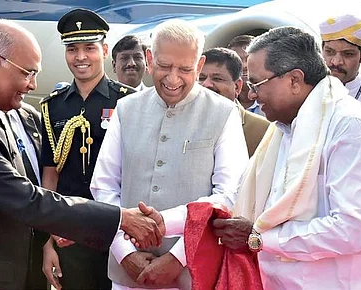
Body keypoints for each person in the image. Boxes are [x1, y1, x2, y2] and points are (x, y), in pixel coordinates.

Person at [0, 19, 164, 290]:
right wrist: (120, 218)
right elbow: (25, 198)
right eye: (27, 73)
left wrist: (58, 228)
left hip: (19, 268)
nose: (33, 85)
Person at [212, 26, 361, 289]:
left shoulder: (351, 127)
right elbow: (238, 194)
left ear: (294, 80)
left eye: (257, 84)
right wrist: (166, 221)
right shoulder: (284, 128)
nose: (251, 95)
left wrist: (259, 238)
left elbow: (352, 230)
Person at [90, 19, 249, 290]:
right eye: (164, 66)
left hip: (193, 272)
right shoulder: (126, 109)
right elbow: (103, 186)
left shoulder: (223, 113)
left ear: (199, 67)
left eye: (185, 69)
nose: (173, 78)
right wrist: (125, 253)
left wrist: (177, 258)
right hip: (129, 273)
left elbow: (229, 196)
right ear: (150, 59)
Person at [39, 8, 136, 290]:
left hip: (119, 232)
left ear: (104, 50)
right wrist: (48, 240)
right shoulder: (53, 106)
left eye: (89, 48)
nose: (80, 57)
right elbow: (50, 177)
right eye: (72, 49)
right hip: (70, 233)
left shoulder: (128, 102)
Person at [0, 102, 47, 289]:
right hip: (0, 248)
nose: (32, 84)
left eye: (34, 74)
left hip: (36, 238)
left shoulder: (30, 115)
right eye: (26, 73)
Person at [199, 47, 269, 156]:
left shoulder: (263, 130)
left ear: (237, 87)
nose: (206, 84)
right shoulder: (181, 122)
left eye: (217, 79)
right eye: (201, 78)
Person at [227, 34, 263, 116]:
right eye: (238, 60)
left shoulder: (274, 102)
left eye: (248, 59)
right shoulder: (223, 101)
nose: (244, 65)